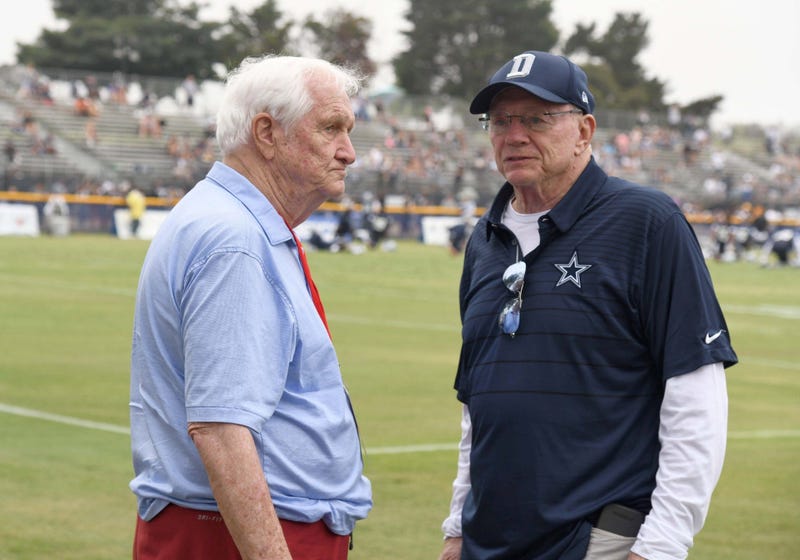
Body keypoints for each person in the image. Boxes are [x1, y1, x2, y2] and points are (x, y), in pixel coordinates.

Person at [438, 51, 736, 560]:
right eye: (501, 120)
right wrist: (456, 526)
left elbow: (695, 392)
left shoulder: (646, 221)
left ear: (584, 130)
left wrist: (661, 545)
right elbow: (479, 406)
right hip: (487, 538)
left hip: (597, 540)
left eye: (537, 119)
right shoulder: (484, 241)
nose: (514, 135)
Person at [129, 55, 372, 560]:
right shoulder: (235, 239)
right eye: (331, 129)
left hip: (232, 526)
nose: (349, 152)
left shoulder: (230, 220)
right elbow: (220, 426)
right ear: (267, 132)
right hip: (240, 535)